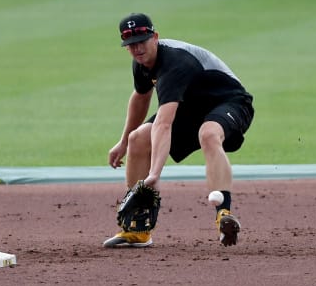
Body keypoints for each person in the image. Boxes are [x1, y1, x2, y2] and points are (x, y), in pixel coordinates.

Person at [103, 13, 254, 248]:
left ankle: (223, 214)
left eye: (142, 41)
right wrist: (123, 142)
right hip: (190, 108)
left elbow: (164, 123)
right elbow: (141, 97)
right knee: (138, 139)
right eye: (131, 45)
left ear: (155, 37)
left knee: (209, 134)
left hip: (229, 102)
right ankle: (138, 230)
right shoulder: (142, 63)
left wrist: (154, 174)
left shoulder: (175, 62)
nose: (137, 48)